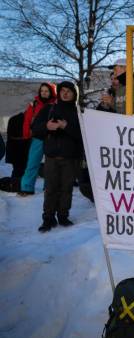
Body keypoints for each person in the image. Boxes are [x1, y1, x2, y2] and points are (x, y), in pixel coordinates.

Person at [31, 81, 83, 232]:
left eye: (69, 91)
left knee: (66, 189)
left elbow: (84, 136)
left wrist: (66, 127)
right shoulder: (49, 108)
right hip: (52, 157)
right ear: (59, 93)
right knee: (51, 189)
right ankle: (48, 218)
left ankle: (63, 216)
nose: (65, 93)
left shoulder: (79, 112)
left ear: (74, 94)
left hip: (71, 157)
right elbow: (34, 129)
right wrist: (46, 127)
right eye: (63, 91)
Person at [19, 83, 57, 196]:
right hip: (38, 137)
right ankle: (27, 187)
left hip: (52, 138)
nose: (44, 93)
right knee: (32, 163)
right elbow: (27, 120)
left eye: (47, 91)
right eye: (42, 91)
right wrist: (26, 134)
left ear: (52, 92)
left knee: (51, 165)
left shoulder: (56, 104)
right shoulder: (34, 104)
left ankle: (48, 187)